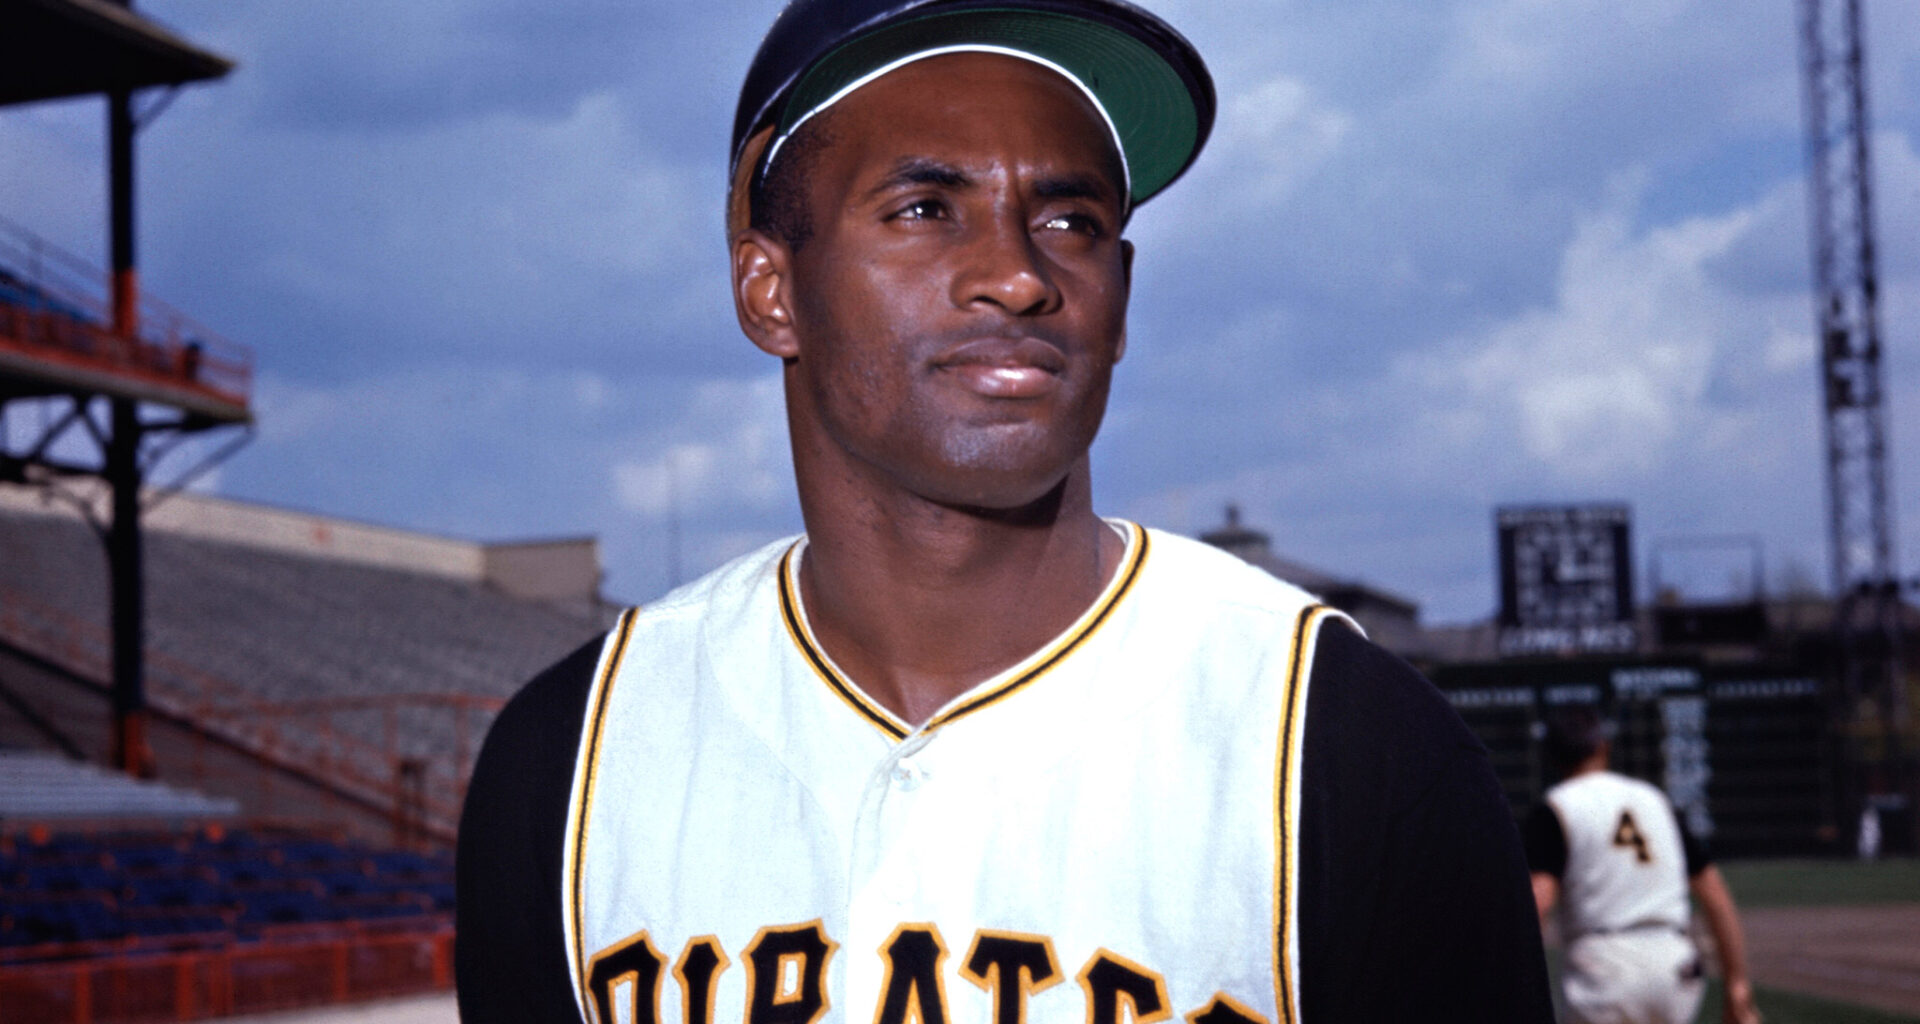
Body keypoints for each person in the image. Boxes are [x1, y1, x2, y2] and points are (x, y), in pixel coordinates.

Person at [456, 2, 1553, 1022]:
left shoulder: (1346, 745)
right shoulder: (576, 761)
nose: (1018, 276)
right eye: (926, 208)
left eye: (1069, 220)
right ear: (770, 289)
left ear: (1120, 297)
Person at [1524, 706, 1762, 1024]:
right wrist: (1737, 983)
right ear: (1603, 746)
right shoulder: (1656, 800)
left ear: (1551, 757)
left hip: (1604, 968)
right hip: (1674, 965)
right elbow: (1715, 896)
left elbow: (1537, 904)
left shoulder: (1555, 808)